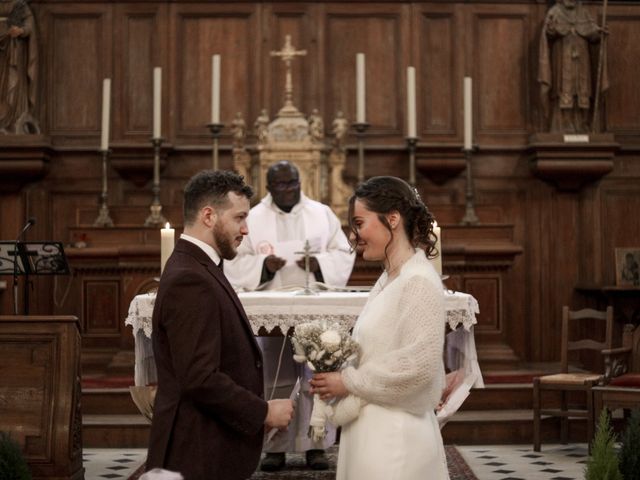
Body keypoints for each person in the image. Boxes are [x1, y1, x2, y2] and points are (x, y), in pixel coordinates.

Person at [146, 170, 294, 480]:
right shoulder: (191, 277)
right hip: (197, 450)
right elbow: (198, 377)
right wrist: (263, 412)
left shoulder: (199, 266)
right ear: (209, 216)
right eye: (239, 218)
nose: (245, 229)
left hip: (208, 443)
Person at [310, 176, 449, 480]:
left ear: (393, 219)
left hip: (396, 439)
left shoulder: (418, 281)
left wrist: (346, 381)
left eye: (360, 223)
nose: (354, 235)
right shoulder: (390, 278)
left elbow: (419, 364)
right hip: (375, 429)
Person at [224, 161, 355, 471]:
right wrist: (263, 267)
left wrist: (319, 264)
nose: (288, 189)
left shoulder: (321, 213)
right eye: (280, 185)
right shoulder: (253, 217)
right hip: (272, 310)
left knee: (316, 375)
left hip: (316, 307)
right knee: (275, 375)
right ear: (268, 188)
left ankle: (316, 445)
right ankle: (275, 447)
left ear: (300, 181)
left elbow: (343, 251)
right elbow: (235, 258)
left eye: (292, 183)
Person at [538, 0, 607, 133]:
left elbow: (591, 32)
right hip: (562, 56)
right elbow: (548, 33)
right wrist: (551, 30)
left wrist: (599, 33)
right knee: (564, 90)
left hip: (582, 59)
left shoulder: (583, 12)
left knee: (582, 90)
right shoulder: (555, 11)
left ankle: (582, 124)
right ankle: (564, 124)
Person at [0, 0, 40, 134]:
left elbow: (29, 26)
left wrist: (21, 30)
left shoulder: (20, 5)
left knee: (12, 85)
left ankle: (10, 122)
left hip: (13, 53)